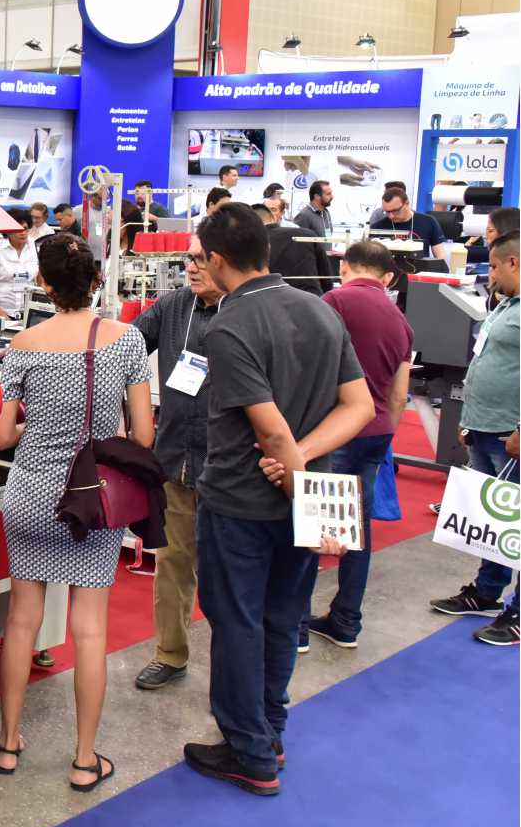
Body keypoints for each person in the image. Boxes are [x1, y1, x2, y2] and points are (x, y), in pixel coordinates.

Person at [185, 202, 373, 795]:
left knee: (237, 622)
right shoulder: (320, 310)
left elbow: (270, 432)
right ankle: (270, 733)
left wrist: (291, 461)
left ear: (217, 259)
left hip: (241, 501)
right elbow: (360, 407)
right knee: (282, 617)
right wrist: (306, 464)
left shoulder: (229, 326)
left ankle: (249, 750)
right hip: (308, 495)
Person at [0, 234, 155, 791]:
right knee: (89, 629)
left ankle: (9, 743)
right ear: (95, 281)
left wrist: (34, 427)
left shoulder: (23, 344)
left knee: (21, 620)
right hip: (93, 499)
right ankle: (84, 759)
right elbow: (143, 435)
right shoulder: (126, 340)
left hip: (30, 494)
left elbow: (2, 434)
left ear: (42, 283)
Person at [300, 240, 413, 651]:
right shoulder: (401, 322)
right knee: (356, 529)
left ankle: (296, 627)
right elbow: (399, 395)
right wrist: (384, 435)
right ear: (387, 277)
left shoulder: (333, 302)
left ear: (344, 267)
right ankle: (346, 622)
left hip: (334, 429)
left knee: (313, 523)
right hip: (375, 431)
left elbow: (308, 369)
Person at [131, 237, 223, 691]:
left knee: (226, 573)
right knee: (172, 563)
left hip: (227, 468)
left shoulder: (245, 312)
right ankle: (169, 653)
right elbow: (127, 346)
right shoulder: (172, 306)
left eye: (203, 259)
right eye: (189, 258)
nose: (192, 267)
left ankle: (233, 672)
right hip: (175, 460)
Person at [429, 231, 520, 646]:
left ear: (514, 262)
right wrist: (469, 419)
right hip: (485, 427)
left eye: (496, 267)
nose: (492, 275)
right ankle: (487, 592)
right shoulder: (506, 305)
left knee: (516, 522)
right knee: (492, 521)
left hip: (510, 433)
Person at [253, 202, 330, 296]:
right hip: (311, 297)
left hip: (272, 298)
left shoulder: (254, 242)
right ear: (272, 218)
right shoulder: (307, 234)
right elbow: (325, 275)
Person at [371, 185, 448, 261]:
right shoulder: (377, 227)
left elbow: (440, 256)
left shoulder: (428, 222)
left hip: (420, 268)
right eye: (387, 212)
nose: (391, 216)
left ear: (407, 203)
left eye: (395, 211)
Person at [0, 226, 39, 321]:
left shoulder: (34, 245)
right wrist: (1, 314)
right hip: (1, 312)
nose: (23, 233)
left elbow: (40, 276)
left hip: (29, 312)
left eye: (25, 228)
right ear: (8, 231)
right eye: (18, 230)